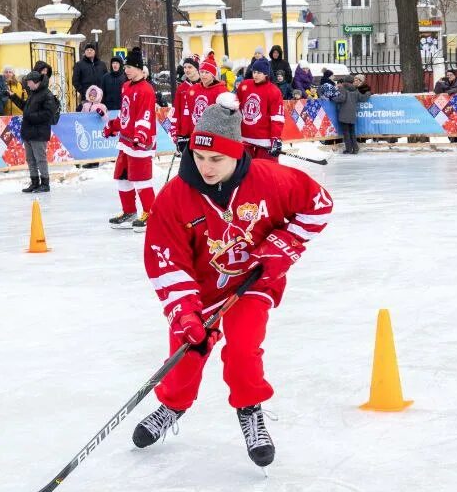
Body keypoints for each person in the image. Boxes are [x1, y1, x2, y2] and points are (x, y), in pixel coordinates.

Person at [134, 93, 333, 466]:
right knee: (186, 353)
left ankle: (250, 409)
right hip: (201, 288)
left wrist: (281, 246)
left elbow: (318, 203)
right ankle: (172, 405)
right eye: (199, 156)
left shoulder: (268, 178)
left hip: (252, 281)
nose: (206, 167)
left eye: (217, 159)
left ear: (238, 152)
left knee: (243, 349)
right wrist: (185, 311)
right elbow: (165, 260)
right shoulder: (175, 197)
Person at [103, 47, 158, 231]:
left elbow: (146, 115)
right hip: (125, 141)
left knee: (141, 179)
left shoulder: (146, 90)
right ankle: (129, 211)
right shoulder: (126, 87)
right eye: (125, 67)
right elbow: (125, 113)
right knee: (122, 177)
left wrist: (140, 134)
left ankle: (150, 214)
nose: (126, 70)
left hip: (140, 143)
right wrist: (114, 126)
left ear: (140, 69)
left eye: (130, 67)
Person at [14, 70, 61, 193]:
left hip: (39, 133)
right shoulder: (33, 93)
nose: (27, 85)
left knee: (40, 159)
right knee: (30, 159)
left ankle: (45, 183)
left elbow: (48, 114)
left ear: (36, 82)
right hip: (28, 131)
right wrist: (12, 96)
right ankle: (35, 182)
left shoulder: (47, 94)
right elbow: (25, 108)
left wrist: (30, 116)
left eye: (28, 82)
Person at [175, 53, 227, 154]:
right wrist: (180, 134)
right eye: (202, 72)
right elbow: (184, 113)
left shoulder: (221, 91)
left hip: (211, 137)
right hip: (192, 135)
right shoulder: (188, 89)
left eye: (206, 73)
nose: (203, 75)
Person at [237, 60, 286, 161]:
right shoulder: (244, 85)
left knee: (266, 171)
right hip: (245, 138)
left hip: (264, 141)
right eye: (254, 72)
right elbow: (235, 108)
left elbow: (277, 118)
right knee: (245, 172)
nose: (255, 75)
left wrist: (275, 139)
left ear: (266, 73)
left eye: (259, 72)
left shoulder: (273, 91)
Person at [331, 74, 370, 154]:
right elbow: (362, 98)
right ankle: (355, 148)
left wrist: (332, 98)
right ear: (352, 81)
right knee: (352, 132)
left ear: (345, 81)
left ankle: (349, 149)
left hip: (344, 114)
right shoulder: (355, 89)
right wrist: (368, 93)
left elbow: (342, 98)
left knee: (346, 133)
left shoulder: (343, 88)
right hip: (352, 114)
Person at [72, 42, 108, 107]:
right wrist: (84, 92)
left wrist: (103, 92)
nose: (89, 51)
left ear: (95, 52)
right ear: (85, 52)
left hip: (101, 97)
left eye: (91, 50)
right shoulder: (79, 64)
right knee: (87, 115)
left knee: (100, 115)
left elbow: (106, 79)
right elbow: (75, 81)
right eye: (87, 50)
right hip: (86, 98)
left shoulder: (102, 64)